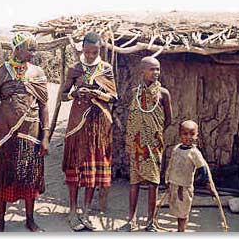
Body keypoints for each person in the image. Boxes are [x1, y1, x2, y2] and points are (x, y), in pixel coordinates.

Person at [0, 32, 49, 232]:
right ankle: (0, 221)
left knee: (29, 175)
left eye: (35, 50)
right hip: (4, 134)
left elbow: (44, 106)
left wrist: (45, 137)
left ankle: (29, 219)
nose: (33, 54)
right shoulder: (0, 72)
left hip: (30, 133)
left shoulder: (38, 73)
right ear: (17, 49)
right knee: (2, 174)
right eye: (30, 49)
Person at [61, 32, 117, 231]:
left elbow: (113, 97)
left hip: (99, 125)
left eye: (94, 52)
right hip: (78, 124)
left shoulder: (106, 69)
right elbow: (62, 96)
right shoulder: (75, 69)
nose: (91, 55)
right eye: (87, 51)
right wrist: (75, 93)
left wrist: (98, 94)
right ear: (82, 49)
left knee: (93, 168)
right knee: (75, 166)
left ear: (99, 50)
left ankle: (85, 211)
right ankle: (72, 210)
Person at [119, 56, 172, 232]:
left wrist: (153, 134)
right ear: (142, 71)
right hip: (136, 145)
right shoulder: (135, 92)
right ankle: (131, 220)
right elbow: (130, 115)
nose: (156, 73)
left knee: (153, 183)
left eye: (158, 69)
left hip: (154, 145)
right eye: (152, 69)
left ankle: (150, 222)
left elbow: (168, 119)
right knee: (134, 182)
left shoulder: (163, 94)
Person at [165, 120, 216, 232]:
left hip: (184, 188)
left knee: (183, 212)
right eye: (185, 134)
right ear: (180, 135)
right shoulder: (176, 148)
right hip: (174, 185)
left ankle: (181, 231)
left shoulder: (194, 153)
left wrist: (210, 186)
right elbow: (171, 164)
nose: (188, 137)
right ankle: (180, 230)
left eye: (192, 134)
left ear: (197, 135)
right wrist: (167, 179)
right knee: (177, 211)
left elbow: (203, 169)